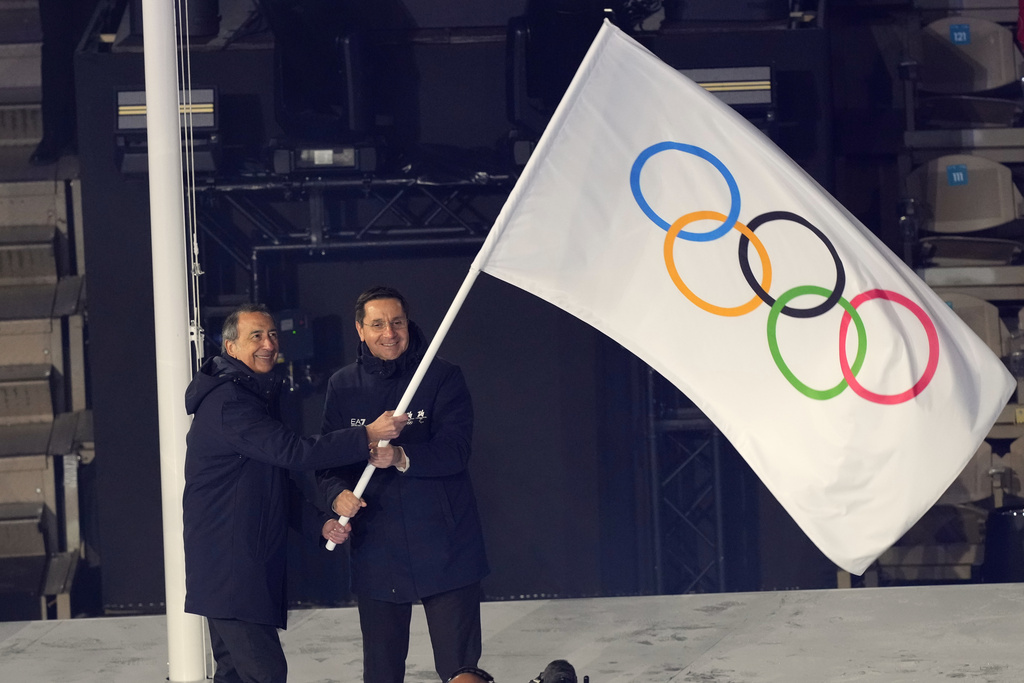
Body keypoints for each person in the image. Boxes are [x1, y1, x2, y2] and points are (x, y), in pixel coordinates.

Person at [183, 302, 409, 683]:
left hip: (230, 570)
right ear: (230, 346)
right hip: (232, 570)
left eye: (272, 334)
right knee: (264, 674)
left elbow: (271, 485)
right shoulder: (230, 404)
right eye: (255, 335)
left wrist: (319, 524)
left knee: (235, 674)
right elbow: (296, 452)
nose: (268, 344)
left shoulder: (249, 397)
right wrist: (368, 433)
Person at [317, 285, 490, 683]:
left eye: (396, 322)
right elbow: (328, 462)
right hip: (379, 547)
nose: (389, 333)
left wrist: (401, 456)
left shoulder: (442, 376)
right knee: (381, 671)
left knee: (461, 671)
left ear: (408, 325)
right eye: (377, 324)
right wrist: (335, 496)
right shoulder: (343, 386)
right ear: (361, 330)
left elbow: (456, 451)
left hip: (447, 544)